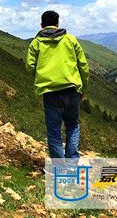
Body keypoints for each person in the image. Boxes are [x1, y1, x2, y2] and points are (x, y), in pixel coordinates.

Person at [26, 10, 89, 160]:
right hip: (72, 90)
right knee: (72, 126)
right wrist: (83, 88)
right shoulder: (70, 40)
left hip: (50, 93)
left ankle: (59, 169)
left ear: (41, 25)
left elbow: (29, 66)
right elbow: (84, 66)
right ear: (57, 23)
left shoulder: (36, 43)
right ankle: (72, 164)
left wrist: (42, 77)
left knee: (54, 131)